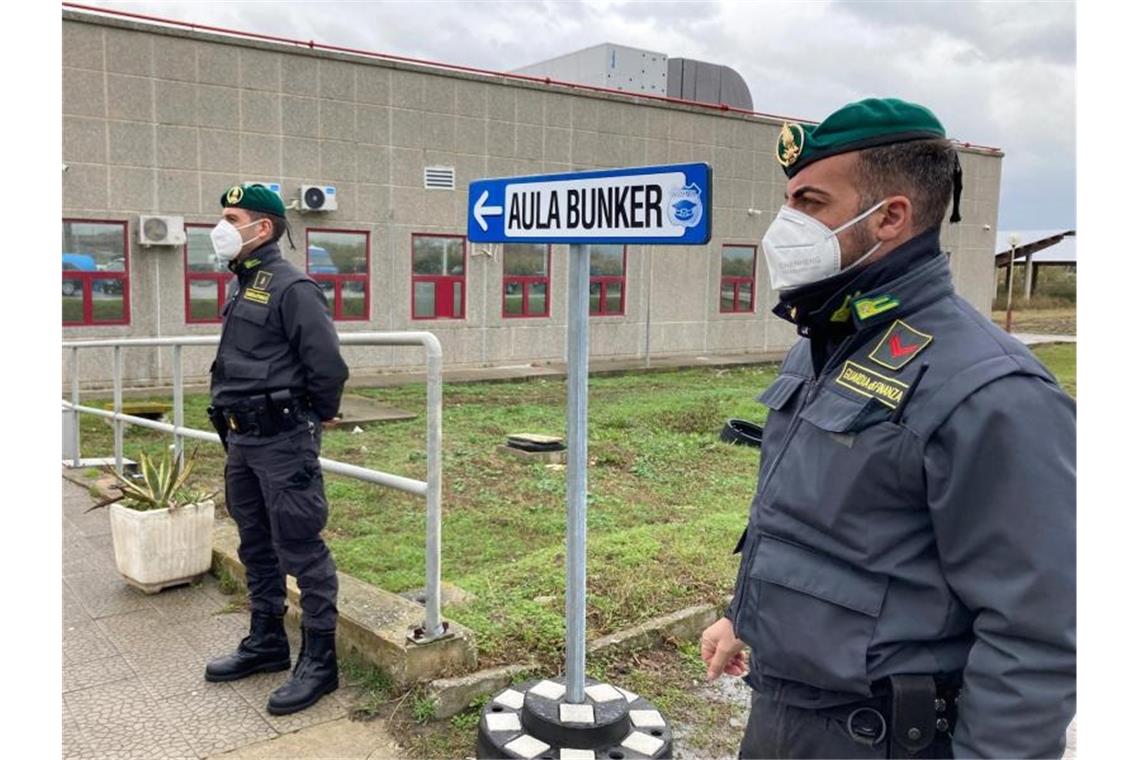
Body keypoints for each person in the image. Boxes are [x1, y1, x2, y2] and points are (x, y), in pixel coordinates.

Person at [699, 99, 1075, 758]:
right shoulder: (825, 343)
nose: (786, 225)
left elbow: (1035, 634)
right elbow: (805, 520)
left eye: (811, 203)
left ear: (892, 217)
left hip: (879, 737)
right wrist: (743, 615)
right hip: (782, 715)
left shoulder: (991, 391)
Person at [203, 183, 350, 716]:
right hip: (242, 439)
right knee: (255, 544)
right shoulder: (245, 283)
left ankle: (319, 660)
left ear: (261, 228)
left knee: (302, 548)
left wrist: (318, 414)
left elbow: (327, 365)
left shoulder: (292, 286)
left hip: (283, 440)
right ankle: (267, 641)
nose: (219, 227)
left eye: (230, 216)